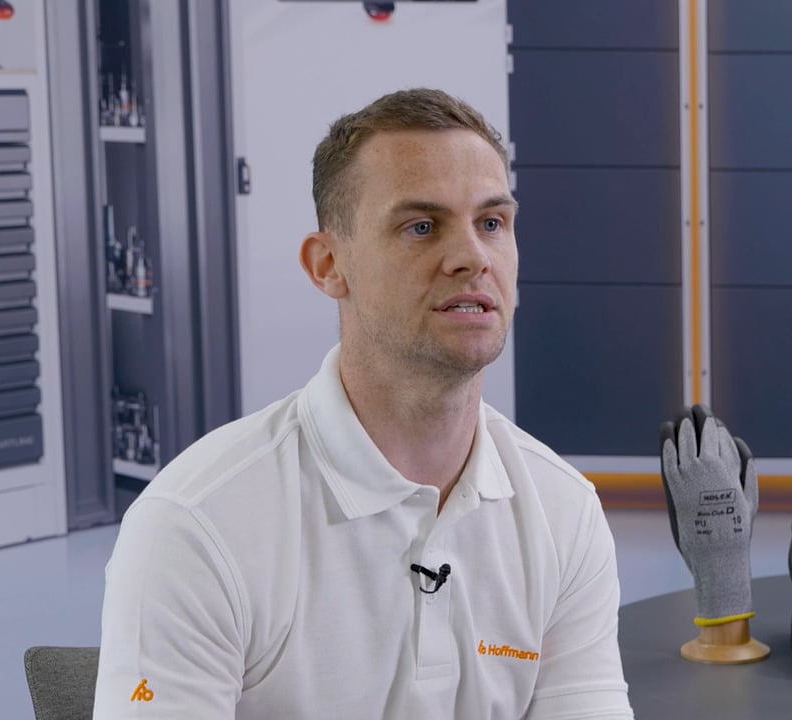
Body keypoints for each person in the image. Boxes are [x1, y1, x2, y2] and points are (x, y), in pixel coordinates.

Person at [93, 88, 634, 719]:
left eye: (492, 223)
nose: (472, 257)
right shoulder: (198, 527)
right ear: (328, 265)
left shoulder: (563, 512)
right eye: (421, 226)